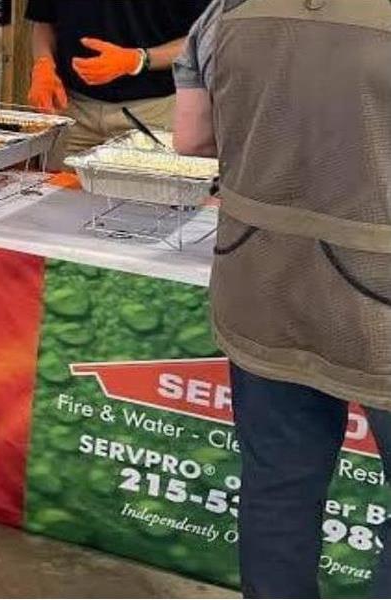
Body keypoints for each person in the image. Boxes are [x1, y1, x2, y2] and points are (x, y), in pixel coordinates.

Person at [173, 0, 391, 597]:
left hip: (262, 283)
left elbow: (191, 139)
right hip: (378, 304)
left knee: (278, 488)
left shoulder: (226, 10)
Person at [25, 0, 210, 166]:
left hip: (151, 113)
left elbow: (207, 36)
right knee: (57, 198)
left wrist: (139, 59)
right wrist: (43, 64)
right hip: (73, 112)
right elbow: (43, 21)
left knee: (145, 200)